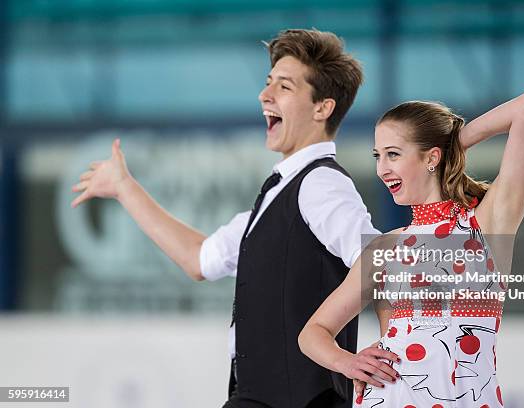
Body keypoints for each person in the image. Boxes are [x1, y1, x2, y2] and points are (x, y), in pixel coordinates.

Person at [70, 29, 398, 408]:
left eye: (284, 87)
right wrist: (125, 188)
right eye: (268, 82)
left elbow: (380, 257)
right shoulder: (277, 196)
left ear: (322, 108)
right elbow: (199, 258)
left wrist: (386, 351)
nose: (265, 95)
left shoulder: (320, 183)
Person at [298, 92, 524, 407]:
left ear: (431, 158)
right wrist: (349, 363)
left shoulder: (487, 224)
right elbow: (313, 333)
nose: (381, 169)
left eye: (393, 154)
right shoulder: (385, 247)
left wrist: (456, 143)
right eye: (378, 156)